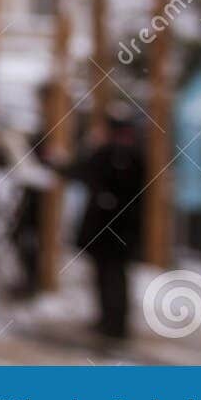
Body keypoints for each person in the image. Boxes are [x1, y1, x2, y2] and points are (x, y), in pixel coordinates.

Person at [70, 102, 146, 341]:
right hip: (116, 230)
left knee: (112, 276)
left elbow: (85, 172)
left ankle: (115, 324)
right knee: (110, 276)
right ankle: (110, 321)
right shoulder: (129, 154)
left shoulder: (118, 154)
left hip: (112, 230)